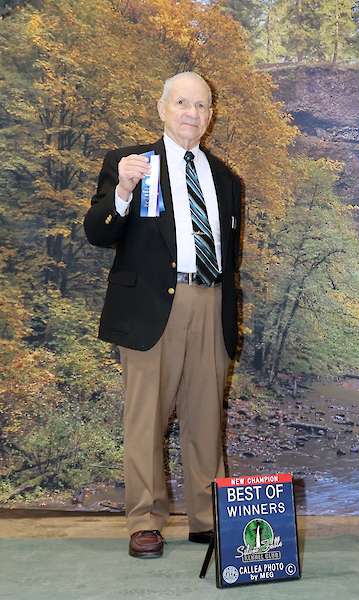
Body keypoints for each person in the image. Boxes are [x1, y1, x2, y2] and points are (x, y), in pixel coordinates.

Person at [84, 72, 242, 558]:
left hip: (210, 304)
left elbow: (229, 254)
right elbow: (98, 232)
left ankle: (206, 517)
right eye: (182, 103)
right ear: (162, 109)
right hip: (153, 307)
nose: (192, 113)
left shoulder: (225, 179)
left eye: (201, 105)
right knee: (145, 420)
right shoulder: (128, 164)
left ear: (210, 115)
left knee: (205, 420)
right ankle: (144, 521)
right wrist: (124, 193)